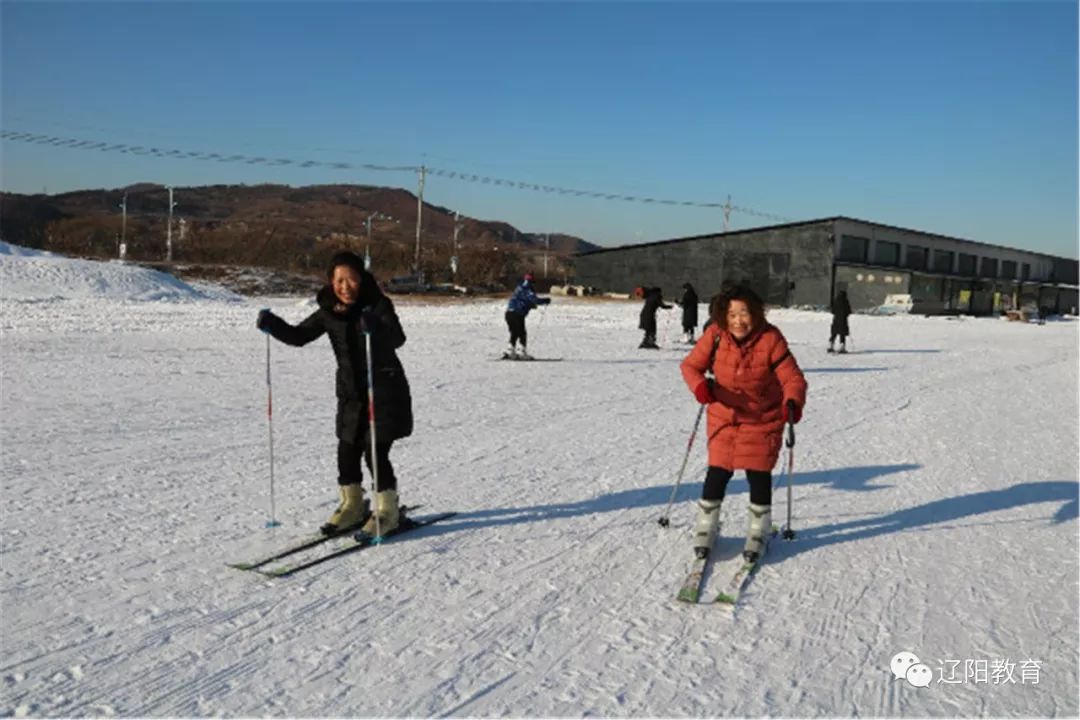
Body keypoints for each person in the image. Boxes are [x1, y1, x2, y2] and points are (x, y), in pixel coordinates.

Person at [256, 251, 413, 537]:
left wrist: (375, 326)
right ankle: (352, 506)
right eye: (339, 280)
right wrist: (273, 324)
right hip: (351, 395)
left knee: (374, 452)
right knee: (346, 450)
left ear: (362, 280)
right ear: (331, 282)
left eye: (352, 279)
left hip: (384, 393)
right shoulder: (329, 311)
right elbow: (299, 336)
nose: (346, 286)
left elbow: (397, 338)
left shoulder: (378, 305)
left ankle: (387, 511)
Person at [680, 284, 807, 563]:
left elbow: (792, 378)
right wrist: (701, 386)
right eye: (732, 313)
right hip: (724, 416)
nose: (739, 320)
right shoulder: (714, 335)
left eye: (745, 313)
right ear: (723, 315)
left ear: (756, 313)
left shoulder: (771, 339)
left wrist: (793, 402)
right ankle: (706, 527)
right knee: (717, 473)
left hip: (763, 418)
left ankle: (758, 530)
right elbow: (690, 366)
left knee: (758, 474)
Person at [503, 273, 551, 360]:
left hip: (509, 313)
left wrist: (530, 306)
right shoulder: (528, 289)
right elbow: (534, 300)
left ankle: (510, 350)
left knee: (514, 332)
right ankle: (522, 352)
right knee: (522, 333)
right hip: (518, 314)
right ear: (531, 281)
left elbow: (521, 300)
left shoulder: (519, 287)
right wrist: (545, 300)